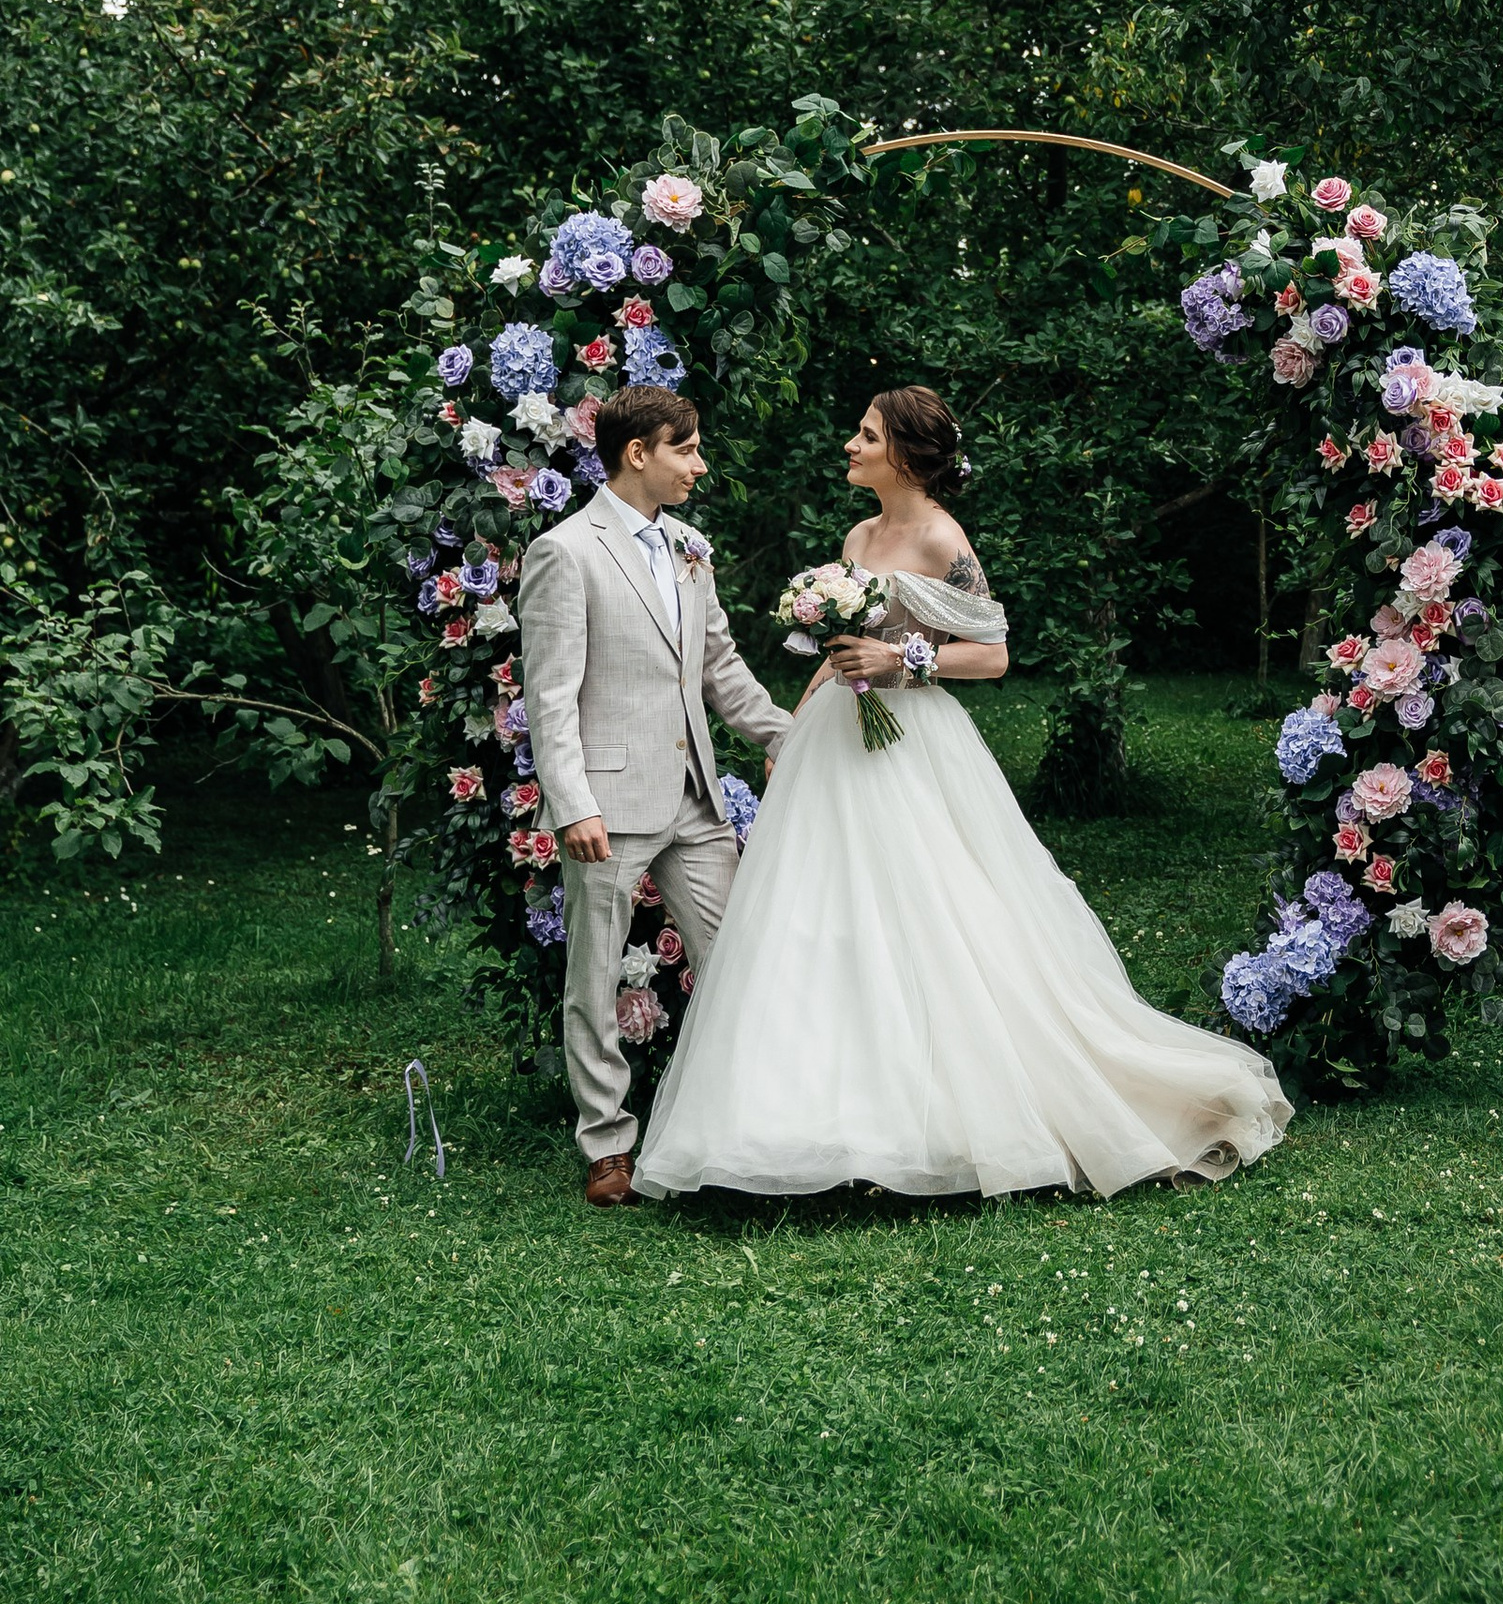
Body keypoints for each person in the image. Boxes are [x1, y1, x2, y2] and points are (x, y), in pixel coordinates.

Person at [633, 386, 1292, 1202]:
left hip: (912, 744)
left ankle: (950, 1114)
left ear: (904, 456)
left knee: (932, 914)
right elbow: (844, 647)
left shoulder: (945, 539)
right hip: (837, 739)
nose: (851, 444)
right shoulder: (858, 534)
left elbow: (992, 655)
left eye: (865, 435)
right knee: (824, 920)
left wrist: (902, 662)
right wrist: (797, 726)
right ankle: (819, 1116)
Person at [517, 381, 797, 1209]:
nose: (699, 466)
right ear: (637, 453)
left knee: (737, 961)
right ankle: (608, 1148)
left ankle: (743, 1124)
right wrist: (571, 804)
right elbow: (550, 696)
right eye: (687, 448)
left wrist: (787, 736)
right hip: (605, 801)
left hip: (695, 799)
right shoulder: (564, 552)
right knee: (595, 978)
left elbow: (720, 667)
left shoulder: (689, 546)